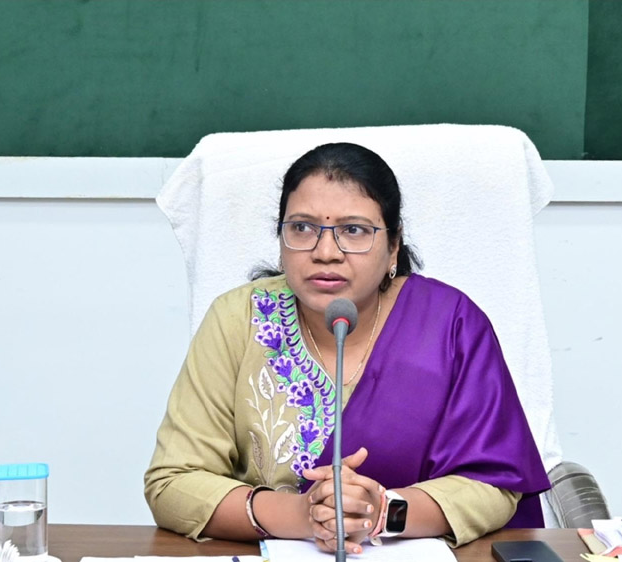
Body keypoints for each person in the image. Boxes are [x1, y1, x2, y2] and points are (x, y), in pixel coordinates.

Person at [144, 142, 550, 553]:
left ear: (394, 246)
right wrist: (301, 516)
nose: (325, 253)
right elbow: (173, 482)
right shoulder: (238, 318)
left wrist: (381, 512)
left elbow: (496, 483)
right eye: (302, 228)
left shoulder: (450, 325)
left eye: (354, 230)